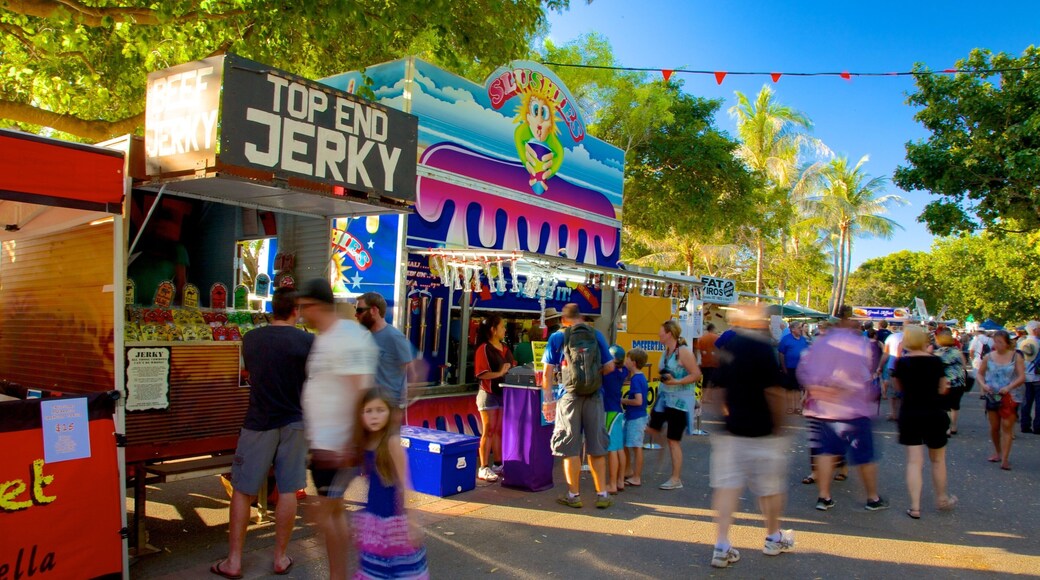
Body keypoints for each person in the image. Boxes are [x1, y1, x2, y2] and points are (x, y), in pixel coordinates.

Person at [211, 288, 313, 579]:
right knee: (289, 489)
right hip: (295, 421)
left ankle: (234, 561)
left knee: (243, 490)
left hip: (258, 422)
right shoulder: (309, 342)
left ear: (272, 309)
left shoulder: (251, 338)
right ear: (296, 310)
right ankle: (280, 557)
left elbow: (249, 373)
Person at [297, 278, 378, 580]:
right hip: (323, 445)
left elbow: (361, 390)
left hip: (337, 445)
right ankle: (339, 574)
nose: (302, 313)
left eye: (305, 307)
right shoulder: (324, 337)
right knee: (331, 514)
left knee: (326, 514)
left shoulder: (347, 336)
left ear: (318, 305)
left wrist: (350, 444)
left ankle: (339, 576)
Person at [709, 304, 793, 569]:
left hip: (732, 429)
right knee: (770, 488)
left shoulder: (729, 348)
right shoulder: (763, 349)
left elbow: (716, 390)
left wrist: (724, 417)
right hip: (762, 430)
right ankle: (773, 537)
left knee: (727, 488)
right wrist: (780, 425)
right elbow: (775, 392)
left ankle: (721, 545)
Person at [798, 306, 889, 513]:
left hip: (824, 409)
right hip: (852, 409)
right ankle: (872, 498)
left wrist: (817, 390)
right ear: (850, 321)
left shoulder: (819, 344)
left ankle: (824, 496)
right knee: (864, 456)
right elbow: (862, 375)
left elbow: (805, 371)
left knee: (826, 453)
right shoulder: (857, 344)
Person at [541, 303, 616, 509]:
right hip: (594, 396)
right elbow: (610, 366)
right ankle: (602, 494)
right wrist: (591, 376)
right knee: (596, 447)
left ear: (563, 319)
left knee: (570, 448)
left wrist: (548, 400)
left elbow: (547, 374)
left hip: (569, 397)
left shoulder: (557, 337)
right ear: (580, 317)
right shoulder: (596, 335)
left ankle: (573, 495)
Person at [354, 389, 430, 579]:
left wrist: (412, 521)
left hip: (395, 521)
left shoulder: (392, 442)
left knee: (400, 570)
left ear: (389, 413)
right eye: (368, 411)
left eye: (380, 410)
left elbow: (407, 483)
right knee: (375, 570)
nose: (374, 416)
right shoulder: (366, 442)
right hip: (374, 518)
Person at [892, 325, 956, 520]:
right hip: (934, 413)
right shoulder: (936, 362)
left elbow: (898, 388)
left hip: (910, 413)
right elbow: (943, 388)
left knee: (914, 461)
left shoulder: (901, 363)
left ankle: (915, 506)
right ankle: (942, 497)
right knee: (938, 459)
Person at [647, 319, 702, 490]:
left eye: (661, 332)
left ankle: (675, 478)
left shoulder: (684, 352)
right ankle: (664, 450)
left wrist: (677, 381)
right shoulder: (667, 351)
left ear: (669, 333)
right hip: (665, 399)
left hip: (680, 403)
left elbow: (696, 374)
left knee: (673, 440)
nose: (658, 334)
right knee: (651, 428)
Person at [355, 292, 420, 418]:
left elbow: (414, 372)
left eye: (359, 310)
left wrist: (400, 406)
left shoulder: (394, 337)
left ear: (374, 310)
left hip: (389, 408)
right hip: (369, 407)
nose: (356, 315)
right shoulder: (364, 337)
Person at [977, 330, 1026, 470]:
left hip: (1010, 396)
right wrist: (984, 385)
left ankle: (1005, 458)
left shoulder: (1016, 357)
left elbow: (1022, 377)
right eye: (995, 341)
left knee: (1007, 426)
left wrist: (1009, 387)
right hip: (992, 395)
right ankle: (997, 452)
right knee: (994, 427)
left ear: (1007, 343)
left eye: (1000, 342)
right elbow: (980, 374)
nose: (997, 345)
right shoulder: (988, 357)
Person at [473, 314, 514, 482]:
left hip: (502, 393)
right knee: (488, 430)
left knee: (498, 430)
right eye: (502, 326)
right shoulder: (483, 348)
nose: (505, 329)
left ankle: (498, 463)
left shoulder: (505, 347)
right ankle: (483, 467)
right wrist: (500, 373)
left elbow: (512, 365)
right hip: (488, 394)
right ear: (493, 329)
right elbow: (481, 374)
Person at [622, 348, 649, 488]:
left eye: (627, 358)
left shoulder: (636, 379)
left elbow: (638, 401)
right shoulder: (639, 377)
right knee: (627, 444)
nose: (625, 361)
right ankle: (629, 470)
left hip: (636, 417)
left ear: (633, 362)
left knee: (636, 447)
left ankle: (636, 477)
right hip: (635, 416)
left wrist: (623, 401)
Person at [603, 345, 628, 494]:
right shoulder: (623, 371)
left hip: (610, 412)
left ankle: (612, 484)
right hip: (619, 411)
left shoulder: (608, 374)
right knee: (619, 448)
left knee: (611, 449)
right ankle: (620, 481)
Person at [934, 328, 968, 435]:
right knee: (955, 405)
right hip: (958, 381)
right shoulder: (957, 352)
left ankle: (947, 428)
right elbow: (964, 365)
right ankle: (954, 426)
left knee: (945, 405)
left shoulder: (937, 353)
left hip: (944, 383)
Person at [777, 322, 810, 414]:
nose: (801, 329)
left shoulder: (803, 340)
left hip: (800, 368)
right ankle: (790, 407)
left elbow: (806, 353)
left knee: (798, 389)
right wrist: (783, 367)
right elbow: (781, 354)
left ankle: (797, 407)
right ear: (793, 329)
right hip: (789, 367)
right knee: (790, 389)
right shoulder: (786, 339)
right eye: (799, 328)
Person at [877, 323, 905, 420]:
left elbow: (886, 354)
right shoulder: (910, 337)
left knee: (893, 392)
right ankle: (902, 412)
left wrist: (880, 366)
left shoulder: (891, 337)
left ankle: (894, 413)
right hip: (908, 365)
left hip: (893, 365)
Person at [1017, 321, 1040, 434]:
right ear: (1035, 330)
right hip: (1037, 376)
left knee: (1026, 402)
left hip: (1024, 376)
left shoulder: (1021, 343)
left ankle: (1025, 425)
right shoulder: (1039, 343)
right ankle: (1038, 426)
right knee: (1039, 403)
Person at [697, 323, 721, 404]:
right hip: (714, 364)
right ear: (713, 329)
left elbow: (698, 351)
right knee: (711, 381)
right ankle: (709, 398)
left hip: (704, 364)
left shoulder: (702, 339)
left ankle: (703, 397)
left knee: (705, 381)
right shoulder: (717, 338)